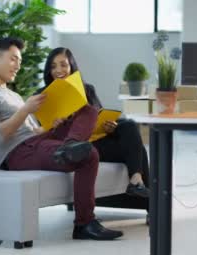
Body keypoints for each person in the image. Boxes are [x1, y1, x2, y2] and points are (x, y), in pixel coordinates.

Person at [0, 37, 123, 241]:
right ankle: (84, 224)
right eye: (14, 59)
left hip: (37, 142)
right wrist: (25, 109)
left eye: (19, 61)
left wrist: (52, 128)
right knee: (89, 154)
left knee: (87, 109)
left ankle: (69, 146)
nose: (18, 66)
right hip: (19, 153)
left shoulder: (11, 94)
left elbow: (33, 131)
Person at [36, 47, 150, 199]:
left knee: (128, 125)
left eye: (64, 64)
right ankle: (143, 194)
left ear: (71, 66)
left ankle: (136, 181)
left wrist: (110, 127)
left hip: (97, 139)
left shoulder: (87, 90)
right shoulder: (42, 96)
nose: (59, 70)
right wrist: (53, 127)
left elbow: (99, 115)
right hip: (75, 147)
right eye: (53, 66)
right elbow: (40, 133)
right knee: (139, 150)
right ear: (48, 70)